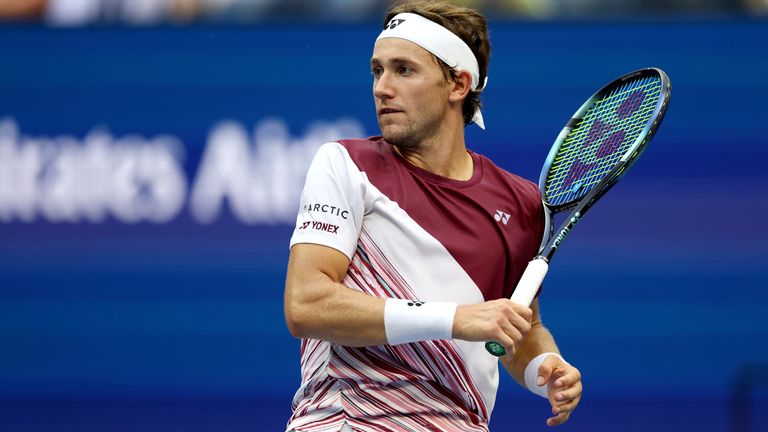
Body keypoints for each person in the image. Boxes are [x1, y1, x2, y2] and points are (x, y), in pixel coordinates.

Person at [284, 1, 582, 430]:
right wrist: (456, 318)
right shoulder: (346, 164)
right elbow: (306, 303)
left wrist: (547, 368)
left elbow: (520, 327)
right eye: (377, 70)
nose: (382, 87)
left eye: (404, 70)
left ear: (458, 84)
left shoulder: (520, 202)